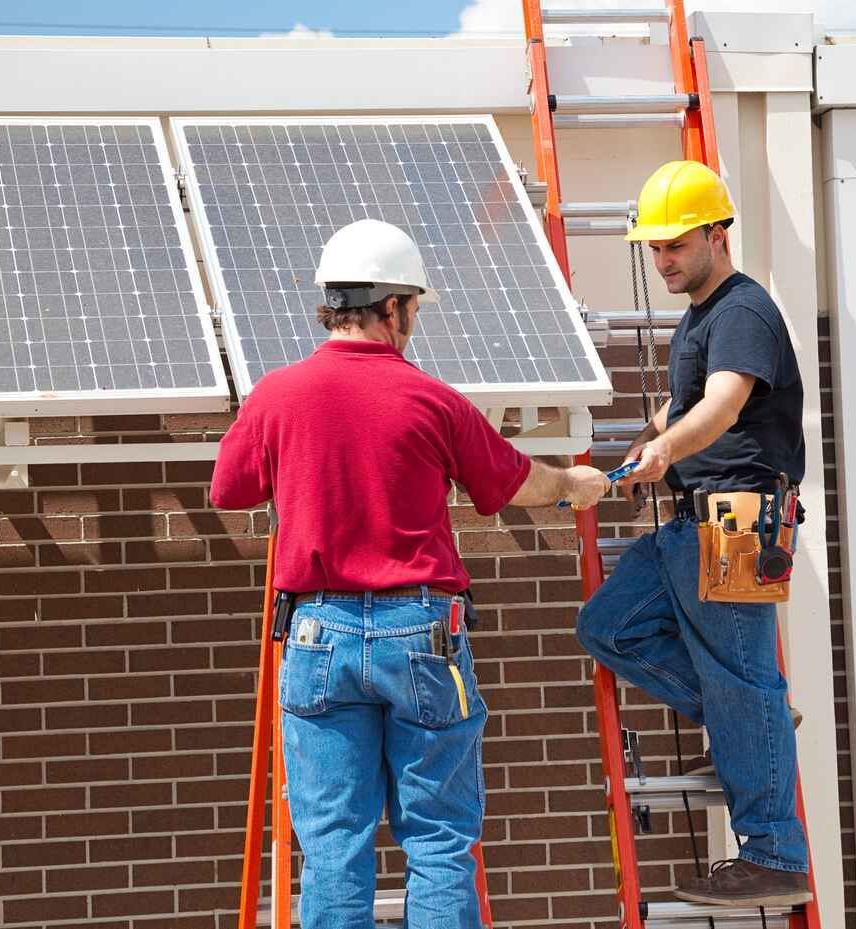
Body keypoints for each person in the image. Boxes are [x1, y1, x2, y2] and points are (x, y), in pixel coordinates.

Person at [210, 218, 607, 929]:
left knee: (333, 848)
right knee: (440, 842)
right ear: (391, 307)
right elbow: (515, 483)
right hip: (420, 633)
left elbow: (228, 489)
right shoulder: (431, 399)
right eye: (415, 309)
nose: (414, 323)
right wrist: (575, 482)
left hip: (316, 636)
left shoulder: (277, 394)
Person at [576, 161, 813, 907]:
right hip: (692, 521)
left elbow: (719, 406)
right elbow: (683, 407)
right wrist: (640, 450)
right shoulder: (700, 317)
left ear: (717, 233)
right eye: (654, 249)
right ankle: (750, 714)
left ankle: (774, 853)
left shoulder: (742, 311)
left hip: (740, 518)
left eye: (675, 245)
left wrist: (668, 447)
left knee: (743, 680)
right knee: (608, 626)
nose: (663, 259)